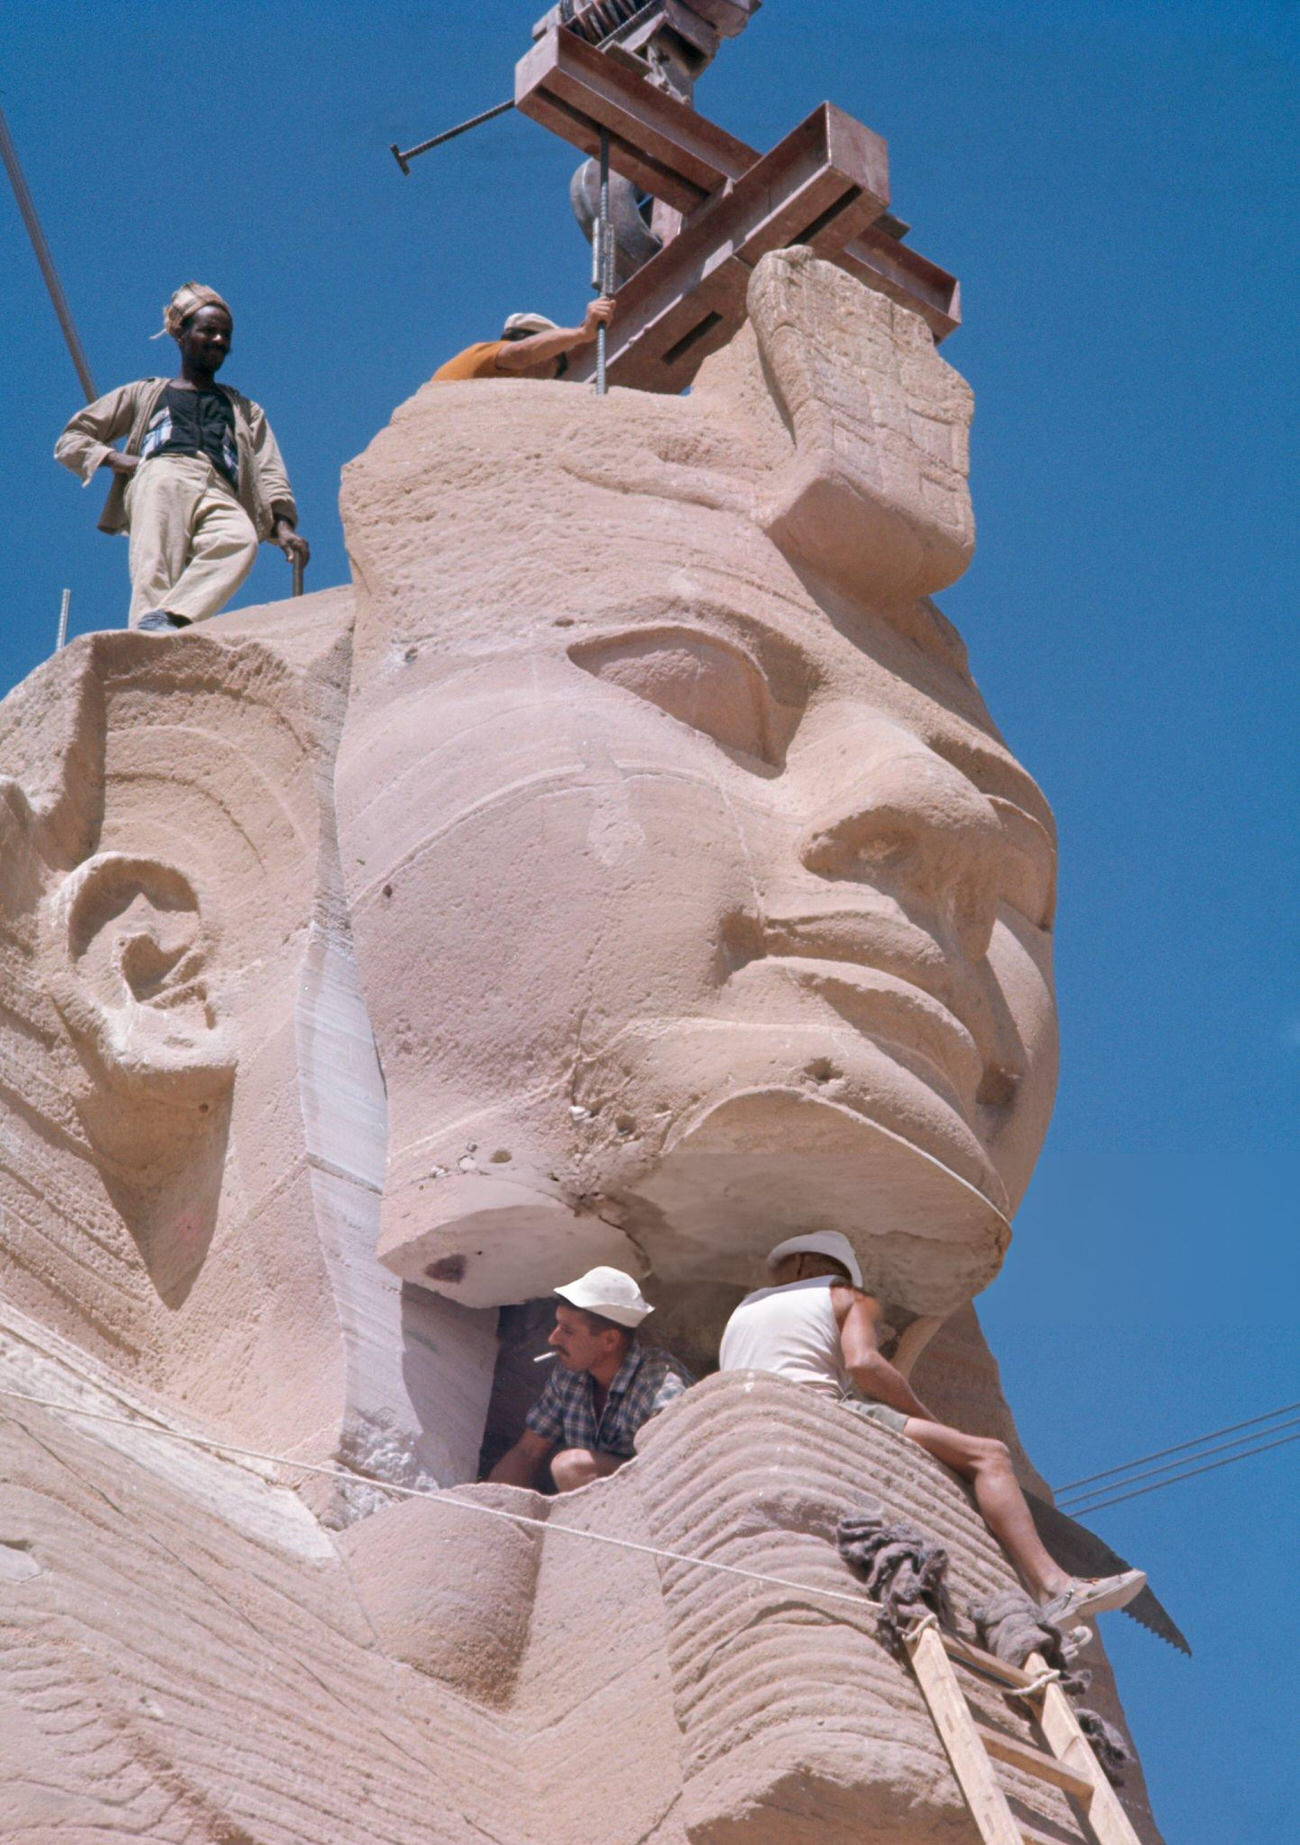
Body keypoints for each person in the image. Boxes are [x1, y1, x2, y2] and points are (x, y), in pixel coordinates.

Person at [718, 1232, 1146, 1628]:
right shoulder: (847, 1296)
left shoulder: (743, 1309)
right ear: (820, 1267)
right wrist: (924, 1418)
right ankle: (1056, 1587)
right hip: (821, 1411)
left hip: (748, 1421)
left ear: (794, 1266)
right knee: (989, 1455)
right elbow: (864, 1363)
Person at [54, 282, 309, 633]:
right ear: (180, 334)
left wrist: (283, 525)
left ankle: (171, 616)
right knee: (155, 559)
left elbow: (270, 470)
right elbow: (72, 437)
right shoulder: (146, 392)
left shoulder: (245, 409)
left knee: (239, 539)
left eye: (225, 334)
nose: (219, 340)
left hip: (220, 487)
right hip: (162, 471)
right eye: (208, 330)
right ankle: (144, 635)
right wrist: (114, 459)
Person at [489, 1266, 692, 1493]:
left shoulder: (661, 1387)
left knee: (572, 1467)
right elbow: (527, 1451)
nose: (553, 1339)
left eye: (568, 1331)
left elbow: (675, 1474)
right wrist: (490, 1503)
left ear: (609, 1340)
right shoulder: (570, 1375)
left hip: (653, 1503)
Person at [432, 296, 615, 382]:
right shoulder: (484, 355)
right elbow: (520, 353)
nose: (549, 380)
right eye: (555, 365)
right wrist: (582, 334)